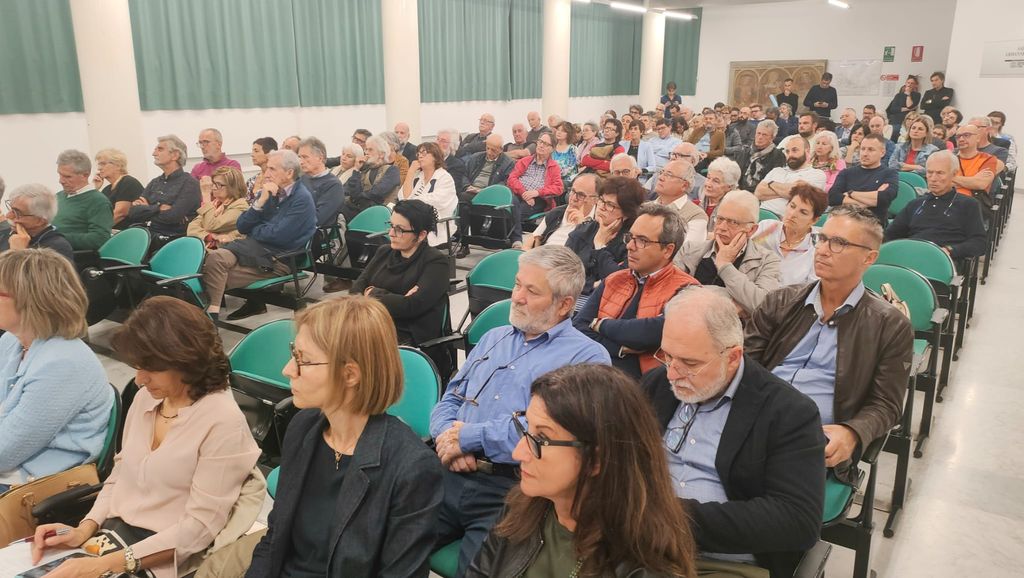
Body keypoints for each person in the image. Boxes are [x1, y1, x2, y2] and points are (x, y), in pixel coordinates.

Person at [31, 297, 260, 578]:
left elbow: (199, 529)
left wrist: (104, 564)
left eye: (150, 369)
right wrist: (85, 528)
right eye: (137, 366)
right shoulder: (146, 399)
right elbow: (120, 475)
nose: (140, 379)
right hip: (113, 538)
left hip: (165, 557)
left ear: (186, 362)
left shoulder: (223, 422)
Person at [431, 245, 611, 576]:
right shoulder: (493, 338)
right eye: (517, 284)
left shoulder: (587, 359)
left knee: (479, 571)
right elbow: (451, 397)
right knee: (384, 543)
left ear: (564, 304)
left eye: (532, 291)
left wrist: (469, 438)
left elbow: (548, 434)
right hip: (450, 470)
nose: (517, 297)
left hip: (513, 490)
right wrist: (447, 438)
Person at [236, 297, 444, 577]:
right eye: (293, 353)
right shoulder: (303, 427)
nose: (287, 369)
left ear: (350, 375)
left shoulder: (411, 469)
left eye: (302, 359)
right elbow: (276, 538)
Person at [642, 286, 824, 577]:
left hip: (718, 563)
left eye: (690, 363)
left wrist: (667, 517)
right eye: (668, 355)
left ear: (733, 357)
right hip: (640, 545)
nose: (672, 373)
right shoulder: (657, 385)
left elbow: (797, 520)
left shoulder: (788, 413)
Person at [468, 364, 697, 577]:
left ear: (597, 460)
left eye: (542, 438)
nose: (518, 453)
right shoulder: (523, 507)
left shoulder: (644, 568)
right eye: (527, 430)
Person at [747, 204, 914, 484]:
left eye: (838, 243)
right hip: (755, 420)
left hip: (814, 438)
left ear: (869, 258)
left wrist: (852, 432)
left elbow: (886, 404)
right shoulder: (781, 301)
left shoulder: (889, 325)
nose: (823, 250)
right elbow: (746, 365)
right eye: (821, 238)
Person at [0, 249, 112, 493]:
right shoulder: (11, 341)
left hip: (34, 485)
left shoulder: (63, 363)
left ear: (30, 300)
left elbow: (4, 454)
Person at [575, 203, 700, 378]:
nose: (629, 246)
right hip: (591, 370)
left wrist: (600, 325)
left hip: (642, 383)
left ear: (668, 250)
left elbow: (654, 332)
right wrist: (619, 348)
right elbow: (578, 328)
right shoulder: (614, 280)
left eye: (642, 240)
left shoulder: (687, 289)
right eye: (630, 237)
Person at [203, 150, 317, 321]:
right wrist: (260, 202)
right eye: (267, 168)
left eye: (272, 169)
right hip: (250, 250)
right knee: (215, 258)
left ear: (289, 173)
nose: (266, 173)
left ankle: (210, 319)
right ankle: (212, 316)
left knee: (212, 274)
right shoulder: (268, 192)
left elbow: (278, 236)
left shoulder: (302, 199)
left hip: (278, 259)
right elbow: (242, 226)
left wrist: (255, 230)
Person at [352, 200, 454, 378]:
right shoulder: (384, 252)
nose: (391, 233)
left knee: (354, 352)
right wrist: (395, 298)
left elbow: (411, 306)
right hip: (373, 324)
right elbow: (355, 291)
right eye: (391, 226)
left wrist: (373, 293)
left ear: (421, 235)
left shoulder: (436, 262)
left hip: (410, 335)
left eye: (399, 229)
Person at [676, 190, 782, 316]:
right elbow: (669, 291)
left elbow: (764, 307)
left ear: (751, 230)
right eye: (720, 219)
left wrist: (725, 265)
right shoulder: (689, 250)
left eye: (733, 222)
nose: (722, 227)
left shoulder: (768, 261)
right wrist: (730, 305)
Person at [885, 151, 988, 260]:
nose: (933, 178)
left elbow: (979, 243)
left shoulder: (968, 204)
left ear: (954, 174)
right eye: (930, 172)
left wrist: (951, 250)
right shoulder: (915, 204)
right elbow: (890, 235)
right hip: (912, 256)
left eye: (940, 173)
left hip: (943, 261)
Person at [565, 177, 645, 307]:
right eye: (601, 200)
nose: (601, 207)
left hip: (608, 305)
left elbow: (619, 281)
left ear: (626, 213)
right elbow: (562, 272)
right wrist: (592, 284)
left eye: (610, 205)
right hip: (570, 296)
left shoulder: (632, 242)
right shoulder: (583, 230)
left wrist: (600, 245)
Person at [123, 135, 202, 238]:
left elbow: (173, 217)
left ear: (175, 155)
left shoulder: (190, 183)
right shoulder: (154, 182)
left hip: (172, 240)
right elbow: (133, 213)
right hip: (147, 235)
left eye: (160, 149)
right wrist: (158, 208)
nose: (154, 153)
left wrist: (146, 209)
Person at [750, 183, 827, 286]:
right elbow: (746, 252)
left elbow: (812, 286)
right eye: (792, 206)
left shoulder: (818, 246)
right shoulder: (768, 228)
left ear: (814, 220)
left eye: (803, 212)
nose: (792, 214)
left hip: (792, 295)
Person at [827, 134, 899, 225]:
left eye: (871, 149)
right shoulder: (846, 172)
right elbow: (833, 197)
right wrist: (866, 203)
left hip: (874, 224)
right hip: (845, 222)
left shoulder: (889, 173)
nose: (865, 153)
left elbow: (885, 197)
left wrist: (850, 193)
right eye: (862, 149)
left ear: (882, 152)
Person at [507, 132, 564, 246]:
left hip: (538, 200)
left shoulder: (554, 167)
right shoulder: (524, 161)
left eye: (546, 144)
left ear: (552, 149)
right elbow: (511, 178)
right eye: (541, 141)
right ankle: (516, 240)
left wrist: (537, 192)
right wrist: (524, 193)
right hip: (519, 194)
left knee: (513, 212)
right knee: (511, 204)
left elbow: (559, 188)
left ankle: (514, 239)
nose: (541, 145)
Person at [398, 142, 458, 248]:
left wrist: (412, 202)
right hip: (413, 218)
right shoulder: (417, 176)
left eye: (424, 153)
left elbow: (436, 201)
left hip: (437, 223)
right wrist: (410, 172)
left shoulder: (445, 177)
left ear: (435, 157)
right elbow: (403, 198)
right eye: (418, 153)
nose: (420, 156)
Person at [52, 149, 113, 251]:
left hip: (70, 256)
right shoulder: (58, 197)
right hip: (50, 251)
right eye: (60, 174)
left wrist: (56, 238)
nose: (61, 181)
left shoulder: (98, 202)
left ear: (85, 175)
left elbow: (99, 239)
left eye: (67, 176)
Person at [755, 136, 827, 216]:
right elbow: (758, 193)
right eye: (787, 151)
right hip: (760, 215)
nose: (790, 155)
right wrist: (788, 190)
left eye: (795, 150)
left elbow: (801, 196)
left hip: (787, 219)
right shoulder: (776, 171)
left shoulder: (817, 174)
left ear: (807, 151)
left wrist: (770, 184)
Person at [0, 184, 75, 262]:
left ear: (40, 221)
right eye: (11, 209)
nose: (8, 215)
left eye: (17, 212)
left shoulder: (58, 248)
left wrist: (18, 252)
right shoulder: (6, 234)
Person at [525, 173, 600, 250]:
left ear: (596, 200)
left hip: (569, 256)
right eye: (573, 191)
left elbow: (591, 252)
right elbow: (533, 237)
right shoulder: (557, 212)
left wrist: (582, 226)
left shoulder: (599, 223)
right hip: (544, 254)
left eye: (581, 195)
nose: (574, 198)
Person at [187, 167, 250, 251]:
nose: (213, 188)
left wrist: (206, 195)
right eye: (213, 183)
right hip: (206, 248)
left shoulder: (240, 205)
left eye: (218, 184)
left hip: (225, 251)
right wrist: (210, 236)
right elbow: (191, 227)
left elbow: (210, 226)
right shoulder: (215, 204)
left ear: (232, 186)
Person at [345, 135, 403, 222]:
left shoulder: (392, 170)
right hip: (362, 211)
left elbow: (377, 193)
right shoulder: (364, 171)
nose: (366, 152)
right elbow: (352, 192)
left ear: (381, 154)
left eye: (370, 150)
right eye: (366, 149)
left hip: (382, 214)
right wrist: (356, 169)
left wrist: (358, 197)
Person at [297, 137, 346, 227]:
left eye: (305, 157)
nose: (301, 162)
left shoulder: (334, 186)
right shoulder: (301, 179)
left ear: (320, 158)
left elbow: (318, 218)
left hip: (317, 232)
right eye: (299, 157)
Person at [651, 159, 709, 234]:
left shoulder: (696, 215)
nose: (660, 177)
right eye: (661, 172)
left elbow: (689, 243)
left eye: (669, 175)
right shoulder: (645, 207)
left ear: (684, 185)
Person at [93, 148, 144, 229]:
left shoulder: (128, 182)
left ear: (118, 165)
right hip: (112, 231)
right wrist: (95, 189)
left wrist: (98, 230)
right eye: (99, 165)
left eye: (103, 164)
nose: (99, 168)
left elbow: (120, 213)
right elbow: (95, 213)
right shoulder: (106, 189)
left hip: (128, 232)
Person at [191, 128, 242, 203]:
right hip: (200, 208)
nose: (202, 146)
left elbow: (233, 194)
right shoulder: (197, 168)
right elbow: (191, 193)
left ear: (219, 144)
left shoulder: (232, 165)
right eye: (200, 143)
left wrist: (207, 188)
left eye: (206, 142)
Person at [739, 120, 786, 191]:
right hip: (741, 191)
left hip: (762, 192)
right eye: (758, 133)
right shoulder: (745, 151)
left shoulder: (778, 155)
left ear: (772, 138)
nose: (760, 137)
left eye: (764, 135)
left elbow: (775, 182)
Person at [701, 157, 742, 228]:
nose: (708, 184)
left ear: (729, 187)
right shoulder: (697, 202)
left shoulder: (734, 210)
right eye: (708, 178)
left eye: (716, 181)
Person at [885, 76, 922, 143]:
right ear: (905, 83)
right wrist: (906, 109)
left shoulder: (917, 95)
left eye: (912, 83)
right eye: (908, 82)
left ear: (915, 85)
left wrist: (908, 95)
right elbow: (893, 109)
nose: (909, 84)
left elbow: (909, 106)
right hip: (895, 120)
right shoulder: (898, 95)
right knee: (892, 134)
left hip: (907, 121)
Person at [246, 137, 278, 206]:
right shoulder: (251, 181)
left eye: (256, 151)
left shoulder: (277, 180)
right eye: (252, 151)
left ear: (269, 154)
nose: (252, 155)